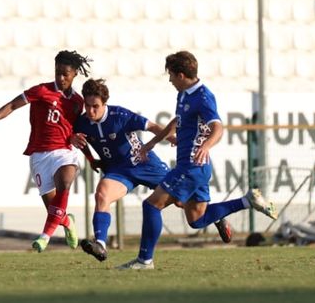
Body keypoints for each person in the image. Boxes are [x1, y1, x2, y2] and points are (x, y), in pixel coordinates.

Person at [117, 51, 278, 270]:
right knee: (196, 219)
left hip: (191, 166)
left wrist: (206, 145)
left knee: (151, 205)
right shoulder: (184, 94)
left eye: (171, 75)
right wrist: (153, 142)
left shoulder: (203, 96)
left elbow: (218, 126)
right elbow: (178, 121)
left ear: (181, 75)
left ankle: (145, 260)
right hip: (197, 167)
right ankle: (247, 201)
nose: (170, 80)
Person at [70, 78, 232, 262]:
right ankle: (100, 243)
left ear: (104, 103)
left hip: (144, 163)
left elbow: (152, 126)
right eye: (87, 105)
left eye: (95, 106)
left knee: (181, 202)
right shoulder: (82, 123)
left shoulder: (120, 115)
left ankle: (216, 216)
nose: (90, 111)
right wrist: (88, 156)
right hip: (119, 171)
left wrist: (173, 140)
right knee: (102, 194)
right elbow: (78, 139)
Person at [0, 50, 92, 252]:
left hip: (64, 152)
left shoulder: (78, 102)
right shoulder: (41, 91)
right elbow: (12, 104)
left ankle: (44, 238)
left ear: (74, 74)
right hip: (39, 156)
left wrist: (75, 138)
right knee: (54, 211)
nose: (61, 77)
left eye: (65, 74)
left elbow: (75, 129)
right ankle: (67, 222)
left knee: (65, 181)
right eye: (57, 73)